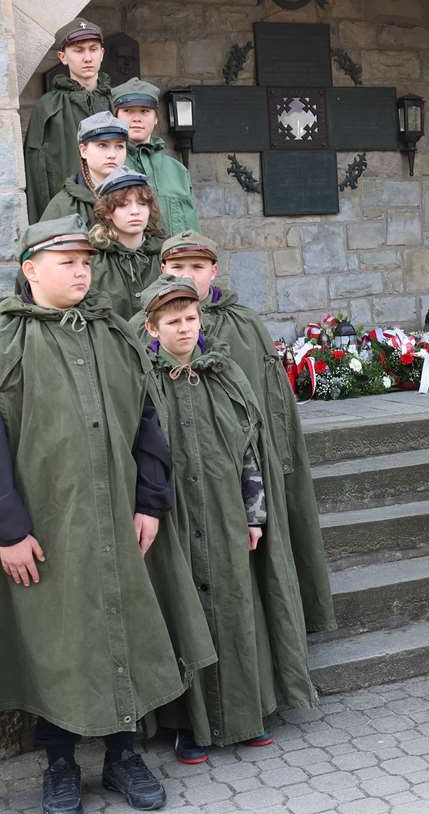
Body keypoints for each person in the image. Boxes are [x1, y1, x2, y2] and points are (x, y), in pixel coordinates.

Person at [0, 214, 214, 814]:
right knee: (58, 642)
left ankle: (124, 757)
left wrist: (150, 502)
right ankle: (60, 765)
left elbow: (147, 422)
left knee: (124, 630)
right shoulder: (3, 345)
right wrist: (9, 530)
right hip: (49, 529)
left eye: (85, 262)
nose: (80, 271)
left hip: (119, 521)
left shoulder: (112, 334)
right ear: (30, 269)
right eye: (66, 262)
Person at [133, 274, 322, 762]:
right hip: (174, 520)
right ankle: (189, 726)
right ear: (152, 329)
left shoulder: (225, 374)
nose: (183, 329)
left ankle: (245, 715)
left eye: (190, 318)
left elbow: (249, 451)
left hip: (226, 516)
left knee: (238, 609)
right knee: (184, 614)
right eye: (172, 322)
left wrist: (254, 516)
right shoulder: (140, 381)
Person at [156, 231, 335, 637]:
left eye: (197, 267)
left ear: (214, 271)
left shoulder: (244, 324)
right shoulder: (146, 327)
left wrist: (278, 460)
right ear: (163, 269)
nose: (187, 275)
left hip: (241, 465)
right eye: (178, 267)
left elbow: (272, 399)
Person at [24, 19, 112, 223]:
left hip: (116, 209)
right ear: (63, 57)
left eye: (93, 49)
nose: (87, 58)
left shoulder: (116, 102)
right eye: (78, 51)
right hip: (69, 214)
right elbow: (36, 172)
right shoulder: (47, 107)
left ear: (102, 53)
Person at [112, 78, 199, 236]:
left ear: (156, 118)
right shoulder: (108, 166)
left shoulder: (178, 171)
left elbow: (192, 231)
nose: (136, 118)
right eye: (128, 111)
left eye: (144, 111)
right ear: (116, 117)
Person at [88, 167, 164, 320]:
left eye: (142, 203)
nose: (135, 211)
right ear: (107, 212)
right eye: (123, 205)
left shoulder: (165, 254)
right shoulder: (92, 259)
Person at [40, 111, 130, 227]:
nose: (112, 155)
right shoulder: (64, 205)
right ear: (83, 151)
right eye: (102, 145)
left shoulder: (140, 195)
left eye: (119, 146)